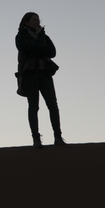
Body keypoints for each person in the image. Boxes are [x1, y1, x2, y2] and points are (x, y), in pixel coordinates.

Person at [15, 12, 66, 148]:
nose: (37, 22)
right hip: (29, 75)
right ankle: (36, 139)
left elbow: (53, 52)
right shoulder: (20, 37)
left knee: (52, 105)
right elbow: (25, 49)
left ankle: (58, 137)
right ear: (26, 22)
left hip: (45, 74)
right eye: (34, 19)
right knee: (33, 107)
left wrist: (34, 50)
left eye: (38, 20)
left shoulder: (44, 37)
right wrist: (40, 50)